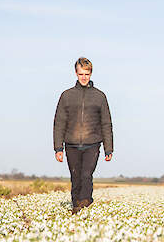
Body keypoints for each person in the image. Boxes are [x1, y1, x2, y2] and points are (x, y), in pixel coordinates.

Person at [53, 57, 113, 214]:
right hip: (71, 144)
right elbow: (59, 122)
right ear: (76, 73)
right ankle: (76, 207)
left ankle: (85, 202)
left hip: (92, 144)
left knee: (86, 175)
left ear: (91, 73)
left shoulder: (100, 96)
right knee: (75, 177)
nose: (84, 77)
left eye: (87, 74)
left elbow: (106, 123)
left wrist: (108, 148)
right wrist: (58, 147)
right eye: (81, 74)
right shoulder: (66, 96)